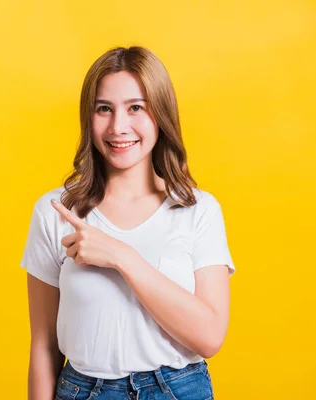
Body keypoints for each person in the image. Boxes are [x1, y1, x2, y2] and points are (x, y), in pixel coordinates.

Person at [20, 46, 236, 400]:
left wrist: (122, 256)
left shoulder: (198, 210)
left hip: (179, 390)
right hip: (83, 390)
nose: (119, 127)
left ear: (160, 114)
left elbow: (210, 337)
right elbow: (44, 346)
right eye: (104, 109)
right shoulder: (56, 211)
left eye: (136, 107)